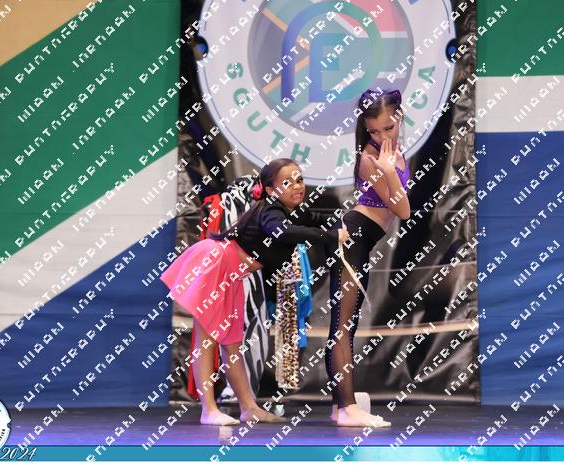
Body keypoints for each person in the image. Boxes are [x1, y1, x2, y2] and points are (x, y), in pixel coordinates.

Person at [161, 158, 350, 426]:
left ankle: (249, 408)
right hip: (215, 266)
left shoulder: (292, 210)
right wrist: (329, 237)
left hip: (231, 276)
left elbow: (319, 218)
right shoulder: (271, 211)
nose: (297, 186)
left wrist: (352, 221)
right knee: (207, 341)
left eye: (299, 179)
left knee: (231, 344)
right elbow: (282, 232)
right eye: (288, 182)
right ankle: (209, 410)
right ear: (271, 190)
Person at [325, 88, 412, 427]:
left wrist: (390, 166)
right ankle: (347, 409)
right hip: (353, 238)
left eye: (388, 128)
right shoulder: (370, 159)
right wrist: (387, 170)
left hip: (363, 241)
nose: (382, 136)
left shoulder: (392, 152)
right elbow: (402, 210)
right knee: (342, 326)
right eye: (374, 131)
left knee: (347, 326)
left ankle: (340, 407)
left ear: (399, 117)